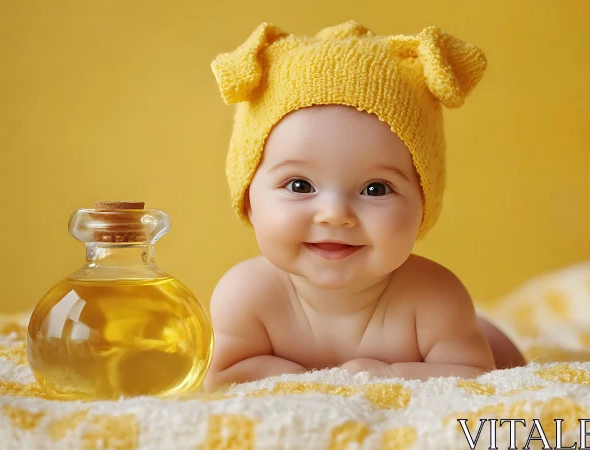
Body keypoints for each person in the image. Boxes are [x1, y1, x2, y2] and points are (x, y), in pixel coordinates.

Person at [204, 20, 526, 390]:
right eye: (299, 185)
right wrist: (305, 384)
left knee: (491, 339)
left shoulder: (436, 299)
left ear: (424, 204)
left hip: (487, 341)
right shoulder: (247, 296)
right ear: (247, 197)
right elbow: (223, 377)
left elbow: (477, 380)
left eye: (375, 189)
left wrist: (390, 376)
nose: (335, 214)